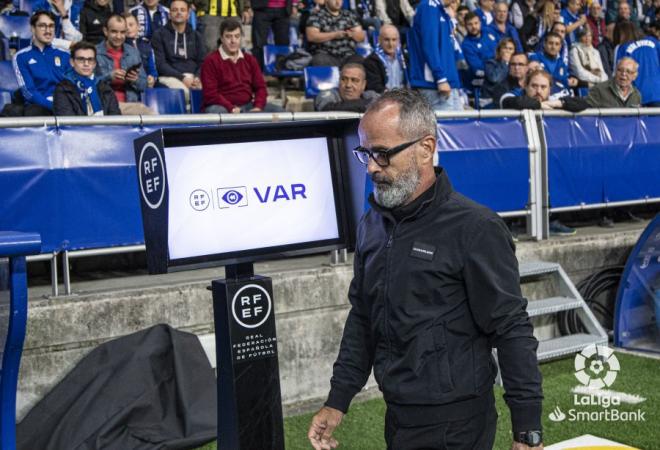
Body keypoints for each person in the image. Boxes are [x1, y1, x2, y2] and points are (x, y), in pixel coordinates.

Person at [307, 88, 544, 450]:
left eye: (382, 154)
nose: (371, 167)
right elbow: (363, 316)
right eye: (365, 153)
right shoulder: (373, 223)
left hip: (459, 426)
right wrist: (338, 399)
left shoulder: (475, 228)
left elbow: (511, 327)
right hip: (398, 416)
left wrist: (527, 429)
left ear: (426, 147)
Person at [200, 18, 284, 113]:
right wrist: (231, 108)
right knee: (216, 112)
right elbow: (210, 94)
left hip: (247, 106)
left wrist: (258, 106)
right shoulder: (210, 61)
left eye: (237, 36)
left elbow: (260, 87)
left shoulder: (250, 59)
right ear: (221, 38)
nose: (233, 41)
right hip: (222, 107)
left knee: (280, 112)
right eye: (228, 36)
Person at [12, 10, 70, 116]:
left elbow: (72, 86)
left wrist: (63, 105)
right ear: (33, 29)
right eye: (42, 26)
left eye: (51, 26)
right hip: (38, 107)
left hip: (64, 105)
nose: (48, 30)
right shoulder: (21, 57)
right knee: (33, 112)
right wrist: (52, 106)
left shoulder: (65, 55)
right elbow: (28, 92)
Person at [408, 0, 462, 111]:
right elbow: (429, 45)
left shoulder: (441, 10)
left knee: (459, 126)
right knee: (440, 127)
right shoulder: (428, 7)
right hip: (434, 85)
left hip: (449, 84)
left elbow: (450, 48)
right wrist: (440, 78)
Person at [151, 0, 205, 104]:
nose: (179, 12)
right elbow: (161, 65)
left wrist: (197, 78)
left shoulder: (196, 36)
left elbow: (202, 62)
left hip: (193, 77)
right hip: (169, 77)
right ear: (169, 14)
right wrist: (183, 78)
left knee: (208, 93)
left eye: (182, 10)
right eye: (175, 10)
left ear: (188, 14)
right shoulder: (159, 35)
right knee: (185, 93)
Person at [96, 14, 152, 114]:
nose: (119, 36)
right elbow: (88, 83)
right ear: (105, 31)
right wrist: (109, 77)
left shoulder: (133, 52)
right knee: (147, 113)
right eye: (114, 32)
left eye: (122, 32)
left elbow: (144, 85)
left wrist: (135, 80)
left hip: (130, 103)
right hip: (104, 105)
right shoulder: (94, 52)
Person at [53, 40, 121, 115]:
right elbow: (67, 122)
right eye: (81, 59)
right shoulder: (63, 89)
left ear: (95, 63)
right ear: (72, 62)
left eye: (90, 59)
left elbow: (116, 118)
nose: (86, 64)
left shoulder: (104, 88)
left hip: (105, 126)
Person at [613, 20, 660, 105]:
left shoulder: (622, 48)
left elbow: (618, 74)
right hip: (657, 92)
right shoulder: (654, 41)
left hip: (637, 97)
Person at [305, 0, 365, 66]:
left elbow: (361, 37)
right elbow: (311, 36)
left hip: (348, 56)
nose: (338, 2)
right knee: (318, 60)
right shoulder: (316, 15)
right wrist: (335, 35)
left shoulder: (349, 15)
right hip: (326, 55)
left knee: (360, 60)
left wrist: (352, 34)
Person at [250, 0, 295, 70]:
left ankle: (282, 75)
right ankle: (258, 74)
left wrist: (294, 3)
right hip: (261, 9)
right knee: (258, 44)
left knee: (284, 43)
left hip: (284, 9)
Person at [314, 62, 379, 110]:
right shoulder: (328, 95)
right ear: (339, 80)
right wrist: (366, 104)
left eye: (354, 80)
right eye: (344, 79)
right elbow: (326, 108)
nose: (348, 85)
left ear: (363, 85)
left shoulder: (370, 95)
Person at [363, 24, 406, 92]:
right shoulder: (371, 61)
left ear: (398, 41)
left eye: (394, 40)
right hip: (383, 99)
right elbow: (375, 87)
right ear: (379, 40)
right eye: (387, 40)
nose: (390, 44)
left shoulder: (404, 59)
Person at [462, 11, 498, 83]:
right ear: (465, 26)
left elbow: (502, 46)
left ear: (480, 23)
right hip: (485, 82)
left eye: (476, 23)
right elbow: (477, 68)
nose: (474, 27)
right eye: (470, 24)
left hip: (500, 71)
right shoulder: (466, 45)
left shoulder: (489, 31)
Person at [125, 12, 158, 87]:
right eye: (125, 26)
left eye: (131, 25)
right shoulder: (121, 46)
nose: (128, 28)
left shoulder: (146, 45)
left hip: (148, 82)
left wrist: (152, 77)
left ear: (138, 26)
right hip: (131, 83)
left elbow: (152, 68)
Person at [482, 38, 519, 102]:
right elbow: (495, 79)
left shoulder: (516, 65)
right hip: (492, 98)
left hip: (511, 96)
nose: (507, 51)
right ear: (499, 50)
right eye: (505, 48)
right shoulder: (490, 63)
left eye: (510, 49)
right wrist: (505, 62)